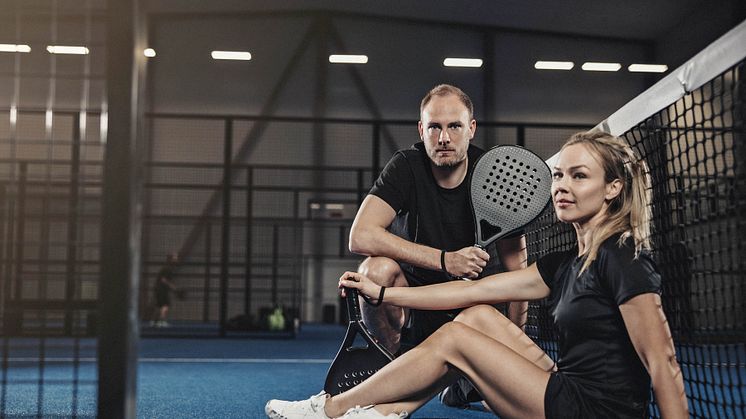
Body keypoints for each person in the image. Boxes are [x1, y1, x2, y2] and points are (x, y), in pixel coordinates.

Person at [265, 131, 689, 419]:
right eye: (559, 175)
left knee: (455, 338)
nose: (562, 186)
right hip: (567, 386)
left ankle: (331, 409)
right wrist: (384, 296)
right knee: (477, 315)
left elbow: (663, 361)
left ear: (613, 188)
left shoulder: (623, 256)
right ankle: (384, 413)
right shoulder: (565, 262)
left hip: (596, 410)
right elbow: (475, 291)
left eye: (579, 177)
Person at [348, 84, 527, 406]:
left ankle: (463, 383)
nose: (444, 138)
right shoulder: (406, 166)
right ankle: (386, 371)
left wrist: (515, 351)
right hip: (413, 299)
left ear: (471, 128)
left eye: (454, 126)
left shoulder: (497, 176)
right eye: (435, 127)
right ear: (422, 129)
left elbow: (518, 274)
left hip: (475, 306)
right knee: (374, 270)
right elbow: (360, 236)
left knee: (482, 396)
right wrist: (445, 260)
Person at [151, 252, 178, 328]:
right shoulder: (168, 268)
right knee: (165, 305)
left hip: (158, 288)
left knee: (159, 305)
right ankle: (161, 322)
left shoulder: (166, 267)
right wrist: (172, 287)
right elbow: (164, 280)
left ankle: (154, 322)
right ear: (171, 259)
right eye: (175, 257)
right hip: (161, 289)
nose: (176, 259)